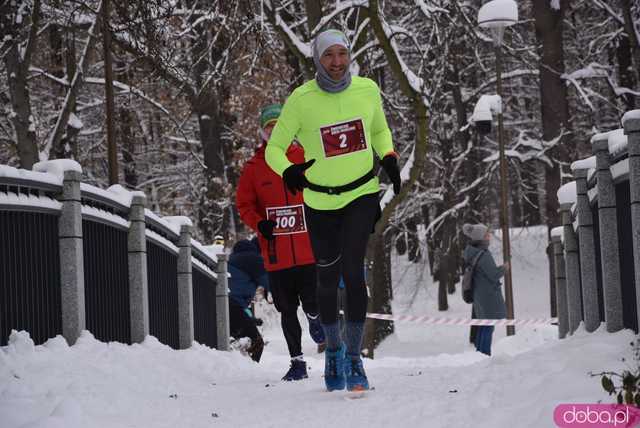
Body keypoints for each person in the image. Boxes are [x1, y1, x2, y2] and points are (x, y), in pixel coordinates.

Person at [265, 29, 401, 392]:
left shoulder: (367, 90)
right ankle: (334, 352)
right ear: (317, 59)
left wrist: (388, 156)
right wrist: (288, 170)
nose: (337, 63)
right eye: (329, 56)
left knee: (354, 273)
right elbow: (274, 149)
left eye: (342, 54)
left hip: (361, 194)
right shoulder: (301, 99)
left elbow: (379, 131)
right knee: (326, 278)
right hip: (320, 201)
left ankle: (355, 360)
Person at [236, 104, 325, 381]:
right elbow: (244, 204)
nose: (274, 132)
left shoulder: (305, 156)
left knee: (312, 301)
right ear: (262, 132)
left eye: (278, 127)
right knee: (287, 310)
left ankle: (314, 317)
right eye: (268, 128)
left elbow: (324, 188)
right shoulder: (253, 168)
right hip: (277, 254)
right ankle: (297, 363)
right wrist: (259, 223)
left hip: (308, 249)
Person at [462, 223, 509, 356]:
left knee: (483, 325)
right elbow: (493, 274)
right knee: (488, 327)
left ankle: (479, 353)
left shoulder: (471, 253)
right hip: (488, 296)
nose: (489, 237)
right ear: (481, 238)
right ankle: (485, 354)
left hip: (479, 295)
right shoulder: (483, 255)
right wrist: (504, 268)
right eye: (487, 235)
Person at [228, 239, 268, 362]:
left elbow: (241, 302)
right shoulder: (254, 259)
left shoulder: (234, 258)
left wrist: (251, 318)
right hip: (233, 307)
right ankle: (251, 370)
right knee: (257, 342)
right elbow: (269, 282)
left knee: (238, 342)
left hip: (225, 306)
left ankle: (241, 367)